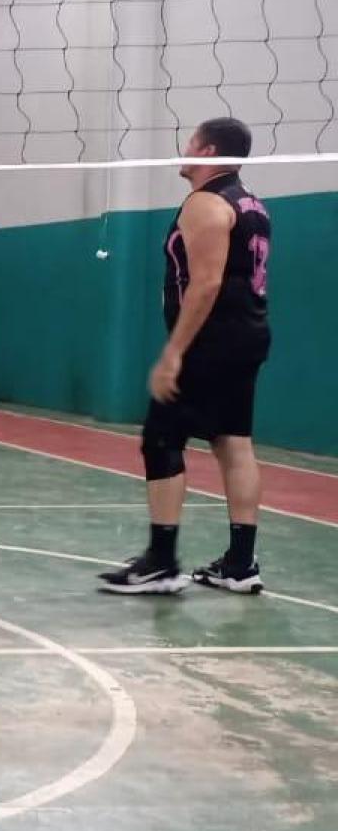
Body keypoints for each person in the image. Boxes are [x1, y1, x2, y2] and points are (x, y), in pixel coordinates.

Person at [99, 116, 272, 595]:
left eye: (192, 141)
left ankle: (161, 562)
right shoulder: (252, 204)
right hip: (248, 334)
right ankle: (240, 564)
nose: (184, 148)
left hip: (210, 341)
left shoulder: (206, 203)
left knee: (161, 436)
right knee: (232, 442)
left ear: (209, 151)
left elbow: (207, 283)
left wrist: (174, 352)